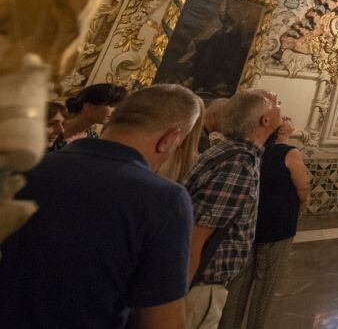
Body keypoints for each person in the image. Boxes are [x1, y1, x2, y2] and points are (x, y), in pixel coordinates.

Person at [0, 84, 200, 329]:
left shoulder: (20, 168)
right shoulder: (164, 200)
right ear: (168, 140)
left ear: (109, 123)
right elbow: (161, 321)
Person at [185, 90, 282, 329]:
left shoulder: (229, 151)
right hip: (199, 285)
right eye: (276, 104)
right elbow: (196, 236)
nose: (281, 107)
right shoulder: (238, 163)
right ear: (265, 120)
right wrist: (174, 295)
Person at [219, 116, 311, 329]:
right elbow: (302, 186)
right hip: (277, 225)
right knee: (266, 283)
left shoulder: (252, 149)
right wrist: (303, 204)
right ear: (281, 131)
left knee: (239, 283)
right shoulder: (288, 152)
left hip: (249, 224)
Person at [52, 82, 128, 150]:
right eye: (111, 105)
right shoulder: (54, 126)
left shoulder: (93, 138)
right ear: (88, 106)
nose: (115, 111)